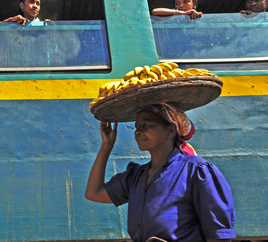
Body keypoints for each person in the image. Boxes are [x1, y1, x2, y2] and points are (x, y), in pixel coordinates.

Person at [85, 103, 236, 242]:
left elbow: (219, 235)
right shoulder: (135, 176)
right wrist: (107, 145)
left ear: (170, 131)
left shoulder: (196, 171)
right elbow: (94, 193)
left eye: (146, 125)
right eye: (137, 126)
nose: (138, 131)